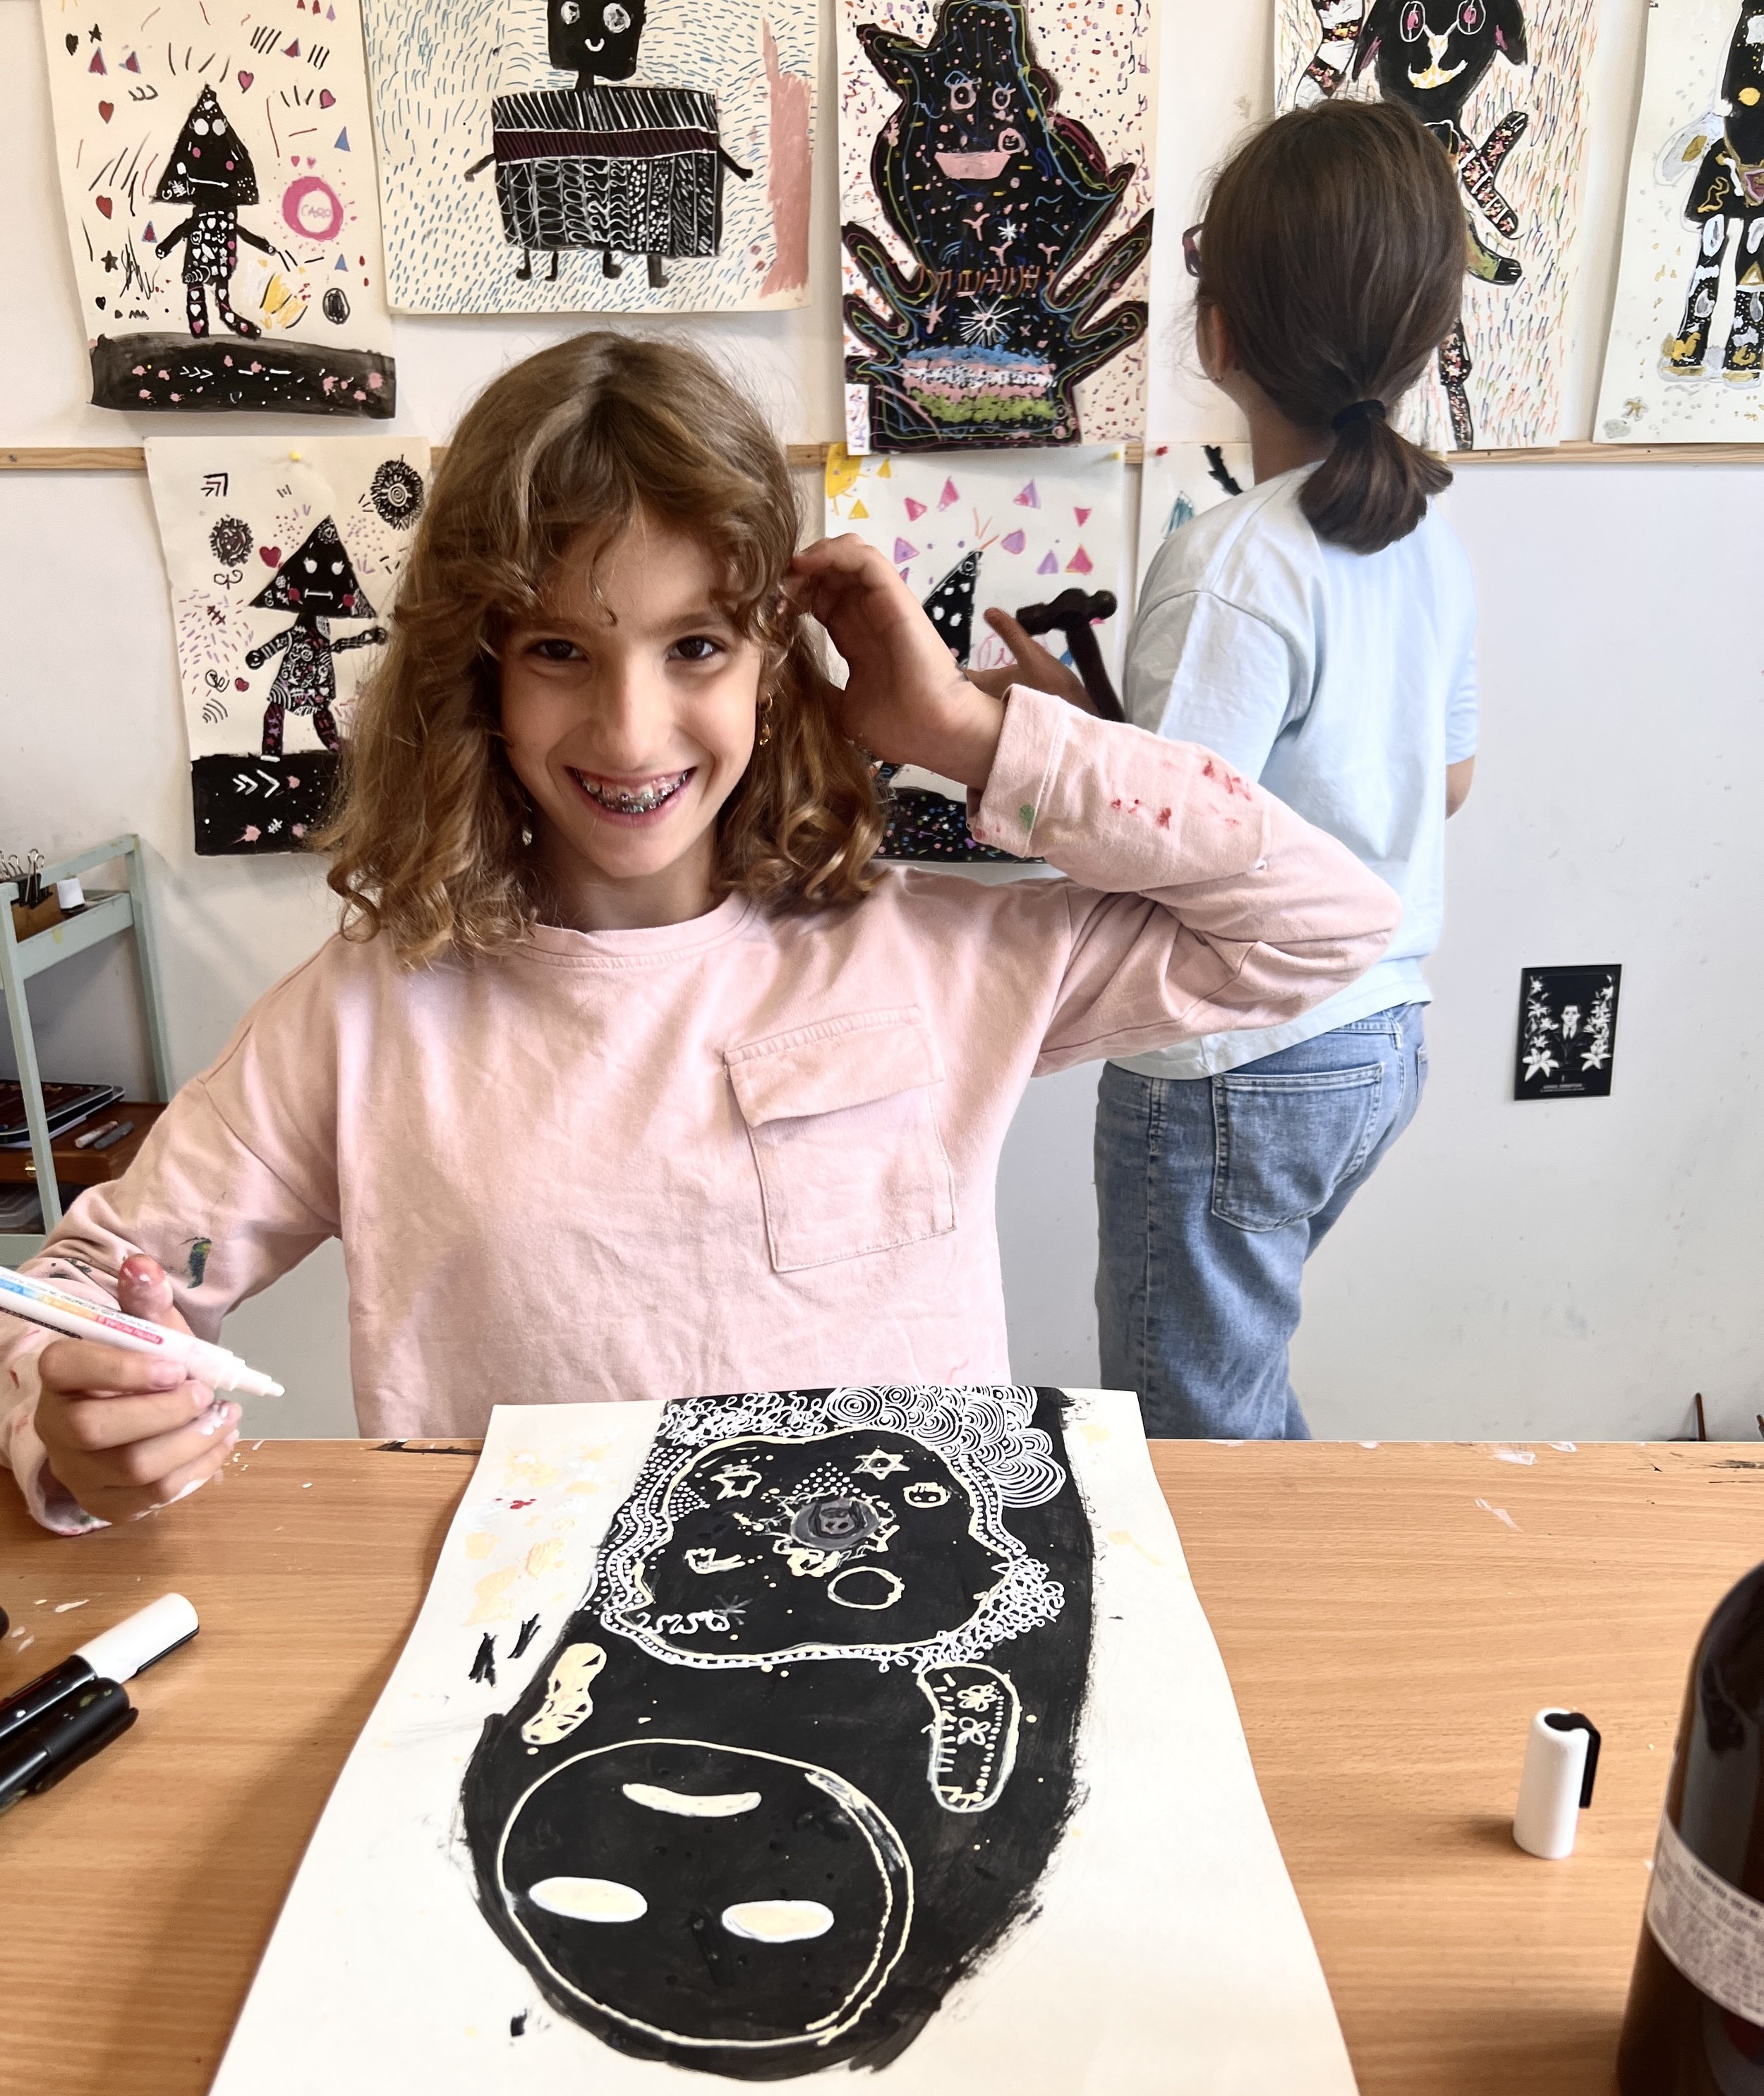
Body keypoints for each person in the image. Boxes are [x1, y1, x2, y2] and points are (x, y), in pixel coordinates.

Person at [2, 332, 1398, 1534]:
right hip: (520, 1687)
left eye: (695, 647)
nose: (627, 728)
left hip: (897, 1655)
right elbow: (76, 1283)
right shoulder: (365, 1014)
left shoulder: (934, 955)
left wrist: (962, 731)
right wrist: (76, 1417)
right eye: (558, 649)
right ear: (476, 672)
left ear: (776, 658)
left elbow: (1322, 921)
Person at [983, 102, 1478, 1439]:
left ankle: (1261, 1640)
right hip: (1382, 1039)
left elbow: (1152, 838)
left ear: (1218, 333)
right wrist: (1087, 723)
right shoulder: (1426, 539)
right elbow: (1445, 783)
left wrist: (1023, 749)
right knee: (1236, 1392)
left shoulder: (1234, 559)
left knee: (1194, 1433)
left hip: (1241, 1061)